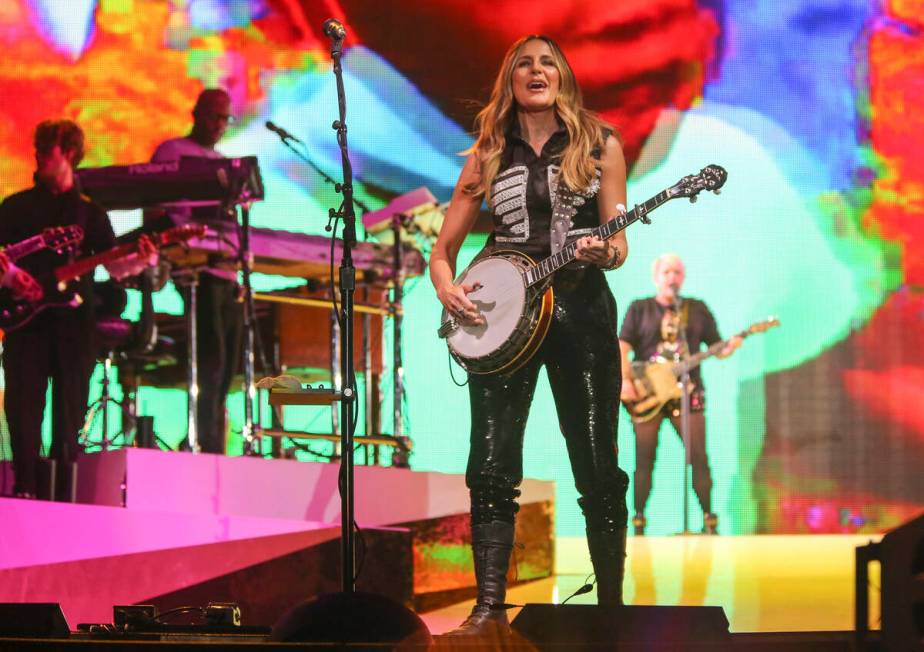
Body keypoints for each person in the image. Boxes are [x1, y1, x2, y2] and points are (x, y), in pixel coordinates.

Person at [430, 35, 631, 635]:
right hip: (501, 320)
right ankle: (490, 607)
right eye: (525, 62)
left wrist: (606, 252)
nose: (537, 70)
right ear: (511, 79)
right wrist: (446, 286)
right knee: (490, 462)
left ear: (563, 77)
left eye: (548, 62)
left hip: (582, 311)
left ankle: (612, 610)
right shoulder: (488, 152)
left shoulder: (601, 144)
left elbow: (619, 242)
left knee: (597, 463)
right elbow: (443, 252)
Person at [0, 119, 154, 499]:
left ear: (68, 153)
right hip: (25, 326)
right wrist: (12, 278)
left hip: (74, 326)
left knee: (69, 416)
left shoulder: (90, 215)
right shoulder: (15, 207)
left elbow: (116, 267)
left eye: (46, 150)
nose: (38, 157)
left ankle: (63, 497)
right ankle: (24, 489)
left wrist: (141, 262)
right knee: (23, 412)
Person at [148, 88, 242, 455]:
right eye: (214, 116)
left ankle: (212, 439)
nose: (219, 125)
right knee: (210, 359)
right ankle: (206, 444)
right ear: (195, 113)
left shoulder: (223, 162)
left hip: (225, 274)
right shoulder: (172, 153)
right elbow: (154, 213)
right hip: (193, 272)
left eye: (225, 119)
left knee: (227, 365)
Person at [619, 253, 740, 535]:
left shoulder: (697, 309)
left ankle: (709, 519)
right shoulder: (640, 308)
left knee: (699, 456)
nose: (672, 277)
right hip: (647, 395)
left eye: (676, 272)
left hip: (687, 393)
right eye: (666, 272)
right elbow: (622, 346)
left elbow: (717, 347)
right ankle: (638, 520)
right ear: (656, 276)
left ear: (682, 277)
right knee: (644, 457)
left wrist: (730, 346)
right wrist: (625, 380)